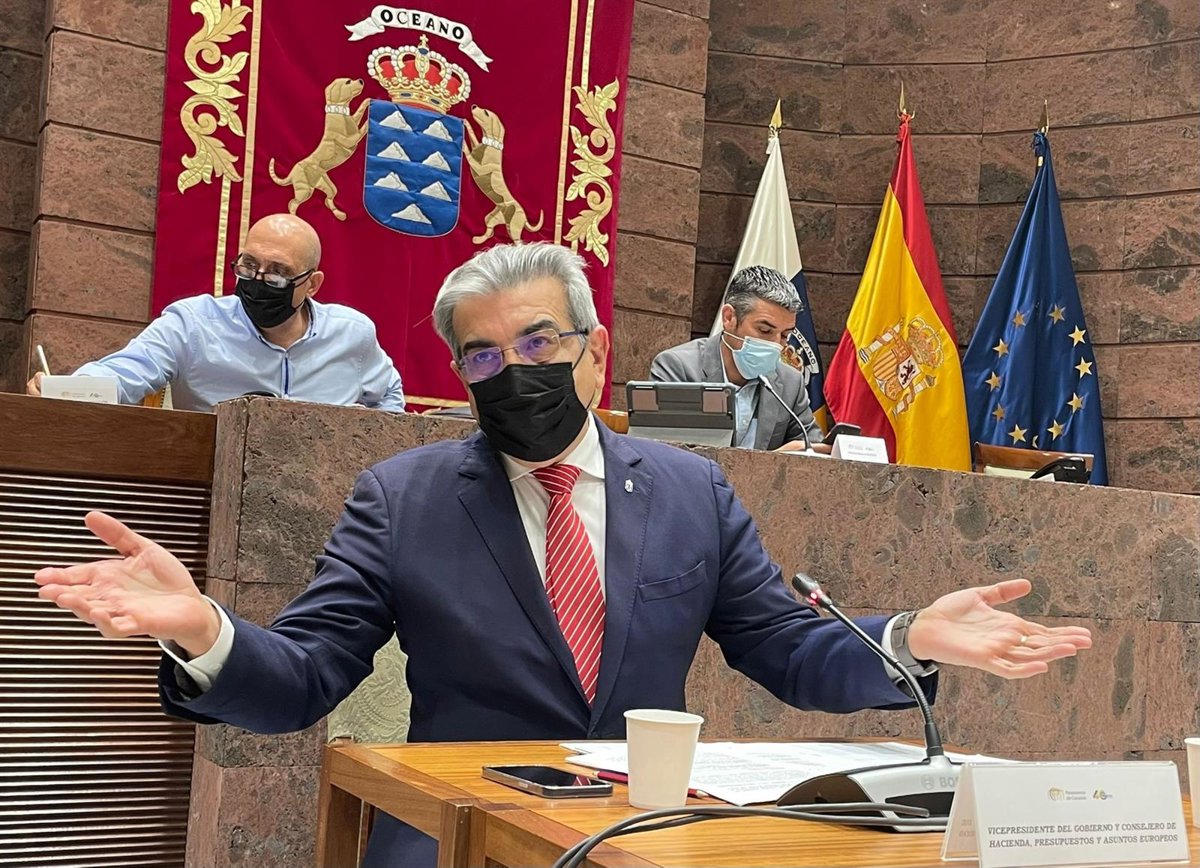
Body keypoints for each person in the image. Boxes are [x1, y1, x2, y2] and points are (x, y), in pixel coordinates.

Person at [35, 243, 1092, 867]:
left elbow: (785, 647)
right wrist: (205, 631)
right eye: (483, 354)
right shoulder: (401, 498)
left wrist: (908, 636)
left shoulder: (690, 490)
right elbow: (304, 677)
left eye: (539, 341)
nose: (514, 369)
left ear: (596, 351)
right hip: (460, 842)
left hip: (646, 844)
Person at [26, 214, 405, 413]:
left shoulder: (352, 334)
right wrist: (65, 389)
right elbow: (124, 374)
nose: (259, 280)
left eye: (277, 273)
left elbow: (388, 393)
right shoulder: (193, 324)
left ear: (312, 285)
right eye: (249, 265)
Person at [651, 264, 822, 452]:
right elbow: (663, 454)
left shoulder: (790, 382)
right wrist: (768, 462)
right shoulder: (678, 368)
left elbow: (814, 448)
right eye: (765, 330)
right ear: (729, 318)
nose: (776, 345)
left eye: (785, 336)